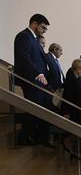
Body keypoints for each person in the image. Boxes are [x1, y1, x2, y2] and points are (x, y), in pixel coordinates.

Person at [14, 13, 52, 147]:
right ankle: (23, 138)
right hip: (31, 80)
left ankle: (33, 137)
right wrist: (38, 73)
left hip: (39, 82)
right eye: (42, 27)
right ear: (34, 24)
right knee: (33, 110)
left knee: (40, 110)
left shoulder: (34, 39)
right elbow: (23, 57)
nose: (44, 31)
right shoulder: (24, 36)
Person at [62, 59, 81, 159]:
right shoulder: (71, 78)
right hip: (72, 109)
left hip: (78, 109)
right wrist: (66, 112)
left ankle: (74, 150)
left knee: (77, 131)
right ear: (78, 68)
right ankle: (72, 149)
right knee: (74, 131)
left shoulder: (80, 78)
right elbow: (67, 97)